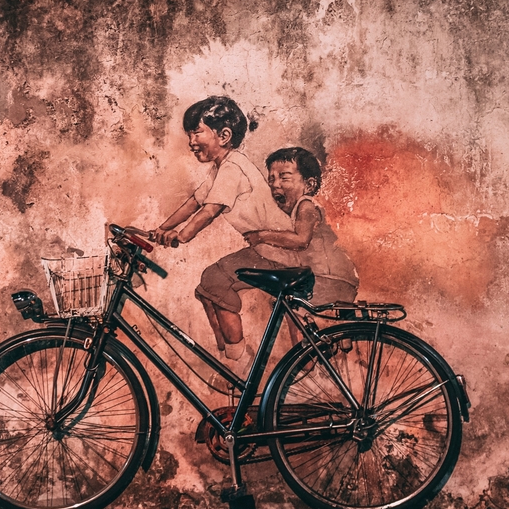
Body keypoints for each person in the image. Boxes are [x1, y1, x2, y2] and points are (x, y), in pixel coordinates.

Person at [147, 96, 294, 361]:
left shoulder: (234, 168)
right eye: (189, 135)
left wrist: (181, 236)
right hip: (265, 250)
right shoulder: (221, 169)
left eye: (197, 133)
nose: (191, 142)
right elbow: (194, 202)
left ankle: (238, 358)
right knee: (208, 288)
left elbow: (210, 210)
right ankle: (227, 353)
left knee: (214, 281)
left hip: (275, 251)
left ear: (224, 135)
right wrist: (158, 229)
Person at [262, 146, 359, 309]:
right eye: (271, 179)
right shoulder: (295, 211)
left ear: (309, 185)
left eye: (284, 178)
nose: (275, 184)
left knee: (288, 303)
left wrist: (262, 236)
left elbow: (301, 241)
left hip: (329, 278)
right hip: (327, 278)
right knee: (288, 307)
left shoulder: (306, 205)